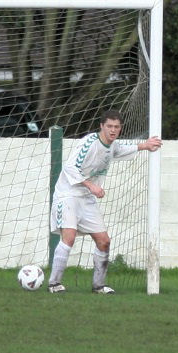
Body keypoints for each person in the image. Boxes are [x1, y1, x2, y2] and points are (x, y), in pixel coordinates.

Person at [47, 110, 161, 294]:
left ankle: (98, 285)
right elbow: (69, 167)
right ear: (101, 126)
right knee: (69, 237)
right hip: (68, 194)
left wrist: (145, 145)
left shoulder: (113, 145)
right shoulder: (89, 143)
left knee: (104, 241)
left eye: (116, 127)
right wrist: (91, 185)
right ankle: (54, 283)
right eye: (109, 126)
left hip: (87, 197)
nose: (113, 130)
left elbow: (122, 149)